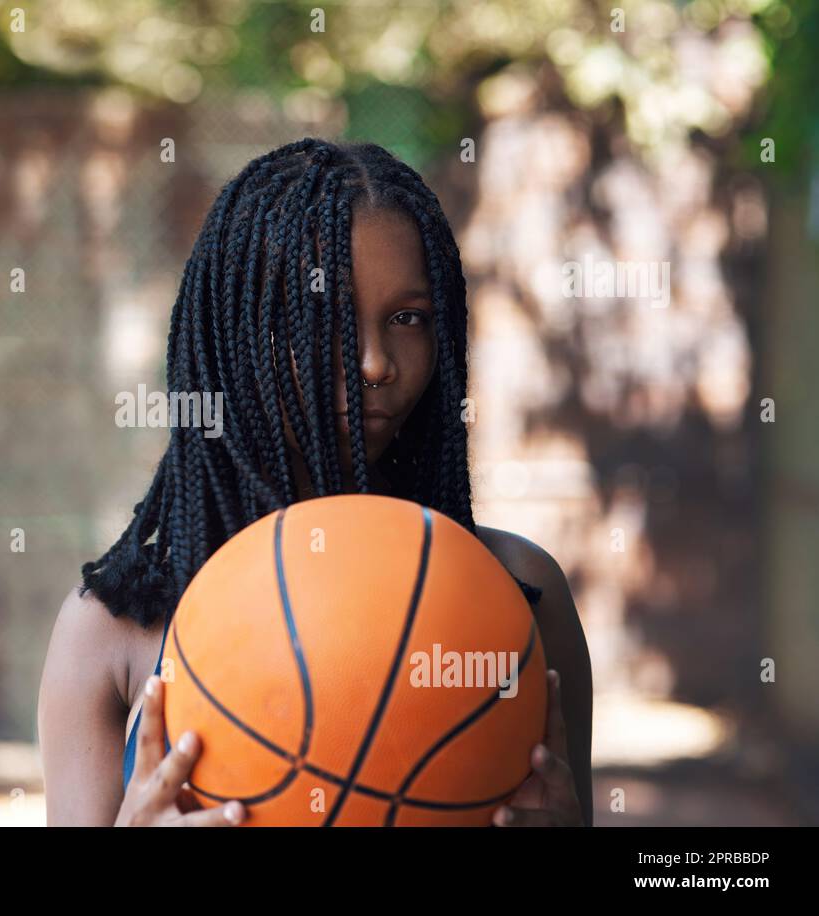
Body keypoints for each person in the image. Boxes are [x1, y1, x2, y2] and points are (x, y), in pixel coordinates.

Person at [37, 138, 592, 827]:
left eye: (408, 319)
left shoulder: (521, 593)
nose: (375, 362)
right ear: (236, 335)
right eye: (324, 319)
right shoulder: (110, 632)